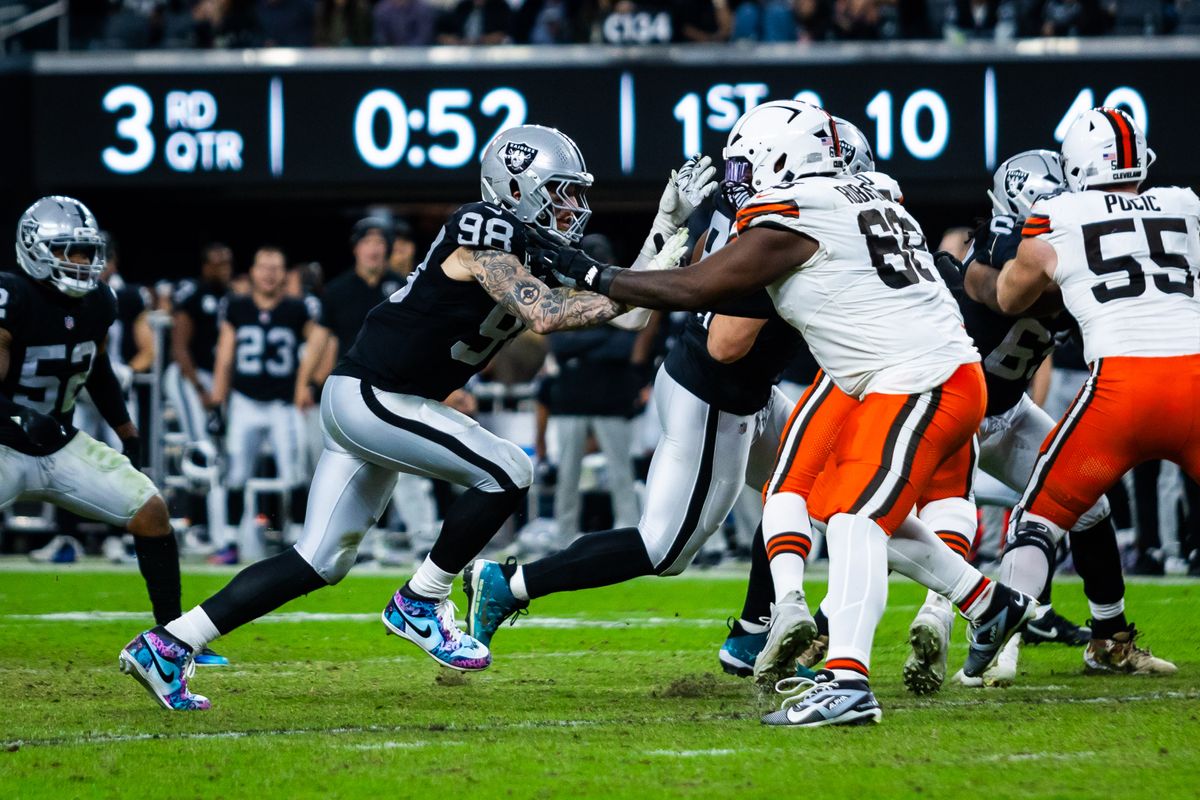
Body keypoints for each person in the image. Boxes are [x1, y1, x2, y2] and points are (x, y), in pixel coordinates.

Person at [118, 124, 684, 711]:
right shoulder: (481, 226)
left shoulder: (534, 249)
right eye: (561, 191)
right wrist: (641, 281)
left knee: (318, 560)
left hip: (385, 402)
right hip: (372, 395)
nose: (573, 206)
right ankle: (422, 599)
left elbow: (625, 317)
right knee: (509, 468)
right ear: (517, 187)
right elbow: (544, 313)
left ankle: (169, 643)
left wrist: (664, 233)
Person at [531, 102, 1035, 727]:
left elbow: (697, 291)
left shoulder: (799, 213)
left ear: (781, 158)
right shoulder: (862, 192)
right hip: (898, 374)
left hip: (916, 378)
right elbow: (729, 284)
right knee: (840, 503)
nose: (740, 178)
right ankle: (986, 603)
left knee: (855, 518)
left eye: (747, 162)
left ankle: (848, 681)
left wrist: (593, 272)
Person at [986, 106, 1187, 678]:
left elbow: (1014, 293)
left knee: (1059, 512)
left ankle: (1020, 643)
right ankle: (1093, 640)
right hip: (1192, 384)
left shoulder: (1056, 216)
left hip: (1096, 397)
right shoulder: (1184, 204)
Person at [0, 197, 225, 664]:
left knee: (151, 510)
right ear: (34, 249)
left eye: (86, 252)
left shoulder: (101, 301)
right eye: (69, 251)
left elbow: (96, 366)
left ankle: (172, 639)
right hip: (5, 442)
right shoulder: (12, 296)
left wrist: (127, 429)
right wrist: (20, 417)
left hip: (59, 441)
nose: (82, 263)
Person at [208, 246, 317, 563]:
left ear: (284, 274)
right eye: (264, 267)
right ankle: (229, 541)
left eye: (275, 267)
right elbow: (225, 355)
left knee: (294, 471)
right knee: (236, 472)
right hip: (244, 400)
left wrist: (308, 384)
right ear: (253, 272)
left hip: (284, 403)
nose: (269, 273)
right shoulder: (238, 307)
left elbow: (320, 344)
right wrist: (218, 398)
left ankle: (298, 537)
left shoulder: (297, 309)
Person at [164, 243, 232, 554]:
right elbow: (179, 347)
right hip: (188, 377)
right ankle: (195, 524)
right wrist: (200, 388)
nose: (223, 268)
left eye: (227, 263)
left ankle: (202, 524)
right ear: (205, 265)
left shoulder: (229, 296)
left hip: (213, 379)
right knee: (200, 449)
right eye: (217, 262)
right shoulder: (194, 294)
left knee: (212, 451)